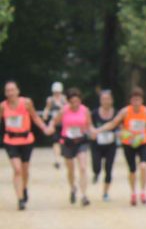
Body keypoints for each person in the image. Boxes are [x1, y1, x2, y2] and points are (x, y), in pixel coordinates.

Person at [98, 87, 146, 206]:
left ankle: (143, 191)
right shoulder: (125, 112)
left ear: (142, 100)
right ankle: (133, 192)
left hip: (143, 142)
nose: (136, 102)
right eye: (134, 100)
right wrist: (99, 130)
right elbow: (113, 123)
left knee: (143, 165)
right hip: (129, 143)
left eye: (138, 100)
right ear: (130, 101)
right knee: (132, 170)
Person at [2, 80, 48, 210]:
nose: (10, 93)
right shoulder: (3, 106)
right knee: (17, 169)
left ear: (18, 91)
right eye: (8, 90)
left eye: (12, 90)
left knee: (24, 169)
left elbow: (35, 117)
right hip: (10, 140)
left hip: (26, 140)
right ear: (5, 93)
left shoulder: (26, 103)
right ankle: (20, 199)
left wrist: (44, 128)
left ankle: (24, 187)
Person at [49, 88, 95, 207]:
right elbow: (54, 121)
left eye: (77, 101)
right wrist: (50, 128)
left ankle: (84, 195)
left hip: (81, 141)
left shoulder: (85, 110)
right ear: (68, 102)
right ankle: (73, 188)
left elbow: (89, 125)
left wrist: (93, 132)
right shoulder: (64, 110)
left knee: (83, 167)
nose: (75, 104)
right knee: (71, 169)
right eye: (72, 102)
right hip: (68, 142)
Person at [91, 90, 118, 201]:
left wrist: (119, 133)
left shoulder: (116, 113)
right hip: (96, 145)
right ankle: (96, 173)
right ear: (100, 100)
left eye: (108, 99)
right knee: (96, 165)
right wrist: (92, 132)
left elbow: (120, 126)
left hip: (111, 145)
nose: (105, 101)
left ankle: (105, 193)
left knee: (108, 168)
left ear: (112, 100)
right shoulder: (94, 113)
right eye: (103, 99)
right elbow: (89, 126)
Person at [42, 81, 68, 169]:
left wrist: (61, 106)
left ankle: (64, 156)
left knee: (63, 141)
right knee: (55, 142)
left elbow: (68, 108)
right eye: (55, 92)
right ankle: (57, 160)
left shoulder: (64, 99)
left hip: (64, 124)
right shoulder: (50, 100)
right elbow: (47, 108)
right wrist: (45, 115)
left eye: (58, 92)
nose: (57, 93)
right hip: (54, 124)